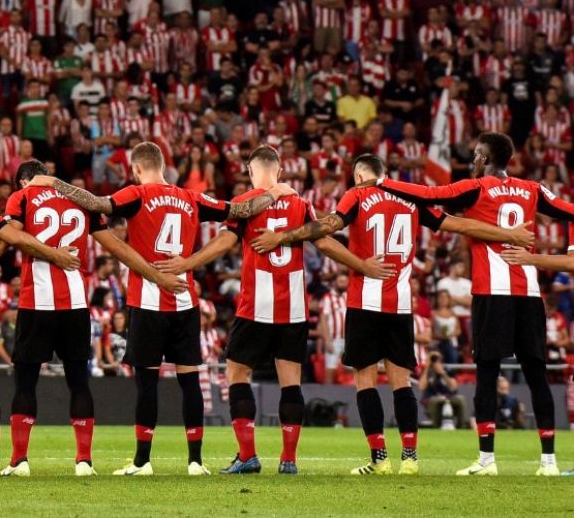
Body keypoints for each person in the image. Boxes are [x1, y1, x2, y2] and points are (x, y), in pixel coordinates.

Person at [256, 152, 532, 475]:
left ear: (360, 176)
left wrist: (282, 236)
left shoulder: (357, 195)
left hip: (365, 302)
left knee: (365, 380)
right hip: (400, 305)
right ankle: (411, 459)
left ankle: (379, 459)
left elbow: (327, 226)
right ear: (385, 173)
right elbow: (460, 225)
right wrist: (510, 234)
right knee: (402, 382)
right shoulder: (409, 197)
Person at [36, 141, 293, 476]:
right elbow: (239, 211)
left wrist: (55, 183)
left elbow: (99, 203)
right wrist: (275, 194)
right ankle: (196, 461)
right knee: (189, 381)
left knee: (147, 383)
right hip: (185, 300)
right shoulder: (190, 197)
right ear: (162, 165)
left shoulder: (136, 194)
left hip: (147, 300)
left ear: (136, 168)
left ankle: (143, 461)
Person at [376, 132, 574, 476]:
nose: (473, 160)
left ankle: (486, 460)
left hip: (491, 294)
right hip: (528, 295)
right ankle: (549, 462)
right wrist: (569, 251)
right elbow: (571, 212)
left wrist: (381, 182)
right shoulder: (533, 189)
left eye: (476, 155)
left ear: (484, 158)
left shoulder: (476, 186)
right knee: (538, 377)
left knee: (487, 374)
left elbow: (428, 194)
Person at [160, 146, 343, 475]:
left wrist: (186, 263)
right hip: (294, 309)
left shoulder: (246, 203)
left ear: (250, 170)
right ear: (280, 171)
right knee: (291, 382)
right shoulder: (300, 203)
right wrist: (360, 264)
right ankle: (288, 460)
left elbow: (224, 243)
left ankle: (248, 455)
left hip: (255, 307)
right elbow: (325, 240)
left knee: (237, 374)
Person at [0, 158, 94, 475]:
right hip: (76, 301)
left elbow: (5, 238)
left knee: (26, 383)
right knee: (79, 382)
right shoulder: (77, 196)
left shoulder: (22, 197)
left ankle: (20, 460)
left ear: (24, 181)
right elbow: (109, 241)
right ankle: (84, 461)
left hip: (36, 301)